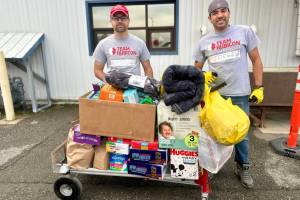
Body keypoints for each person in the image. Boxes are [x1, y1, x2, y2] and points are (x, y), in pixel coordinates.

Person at [193, 0, 264, 189]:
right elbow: (196, 69)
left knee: (241, 134)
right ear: (210, 18)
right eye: (215, 13)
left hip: (240, 94)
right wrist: (203, 76)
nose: (219, 15)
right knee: (215, 133)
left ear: (229, 13)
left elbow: (256, 59)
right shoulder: (204, 42)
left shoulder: (244, 32)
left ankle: (243, 166)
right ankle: (214, 166)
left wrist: (259, 87)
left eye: (223, 11)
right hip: (216, 96)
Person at [93, 4, 154, 83]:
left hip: (134, 89)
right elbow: (97, 70)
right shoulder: (103, 44)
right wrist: (110, 81)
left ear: (128, 20)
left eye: (123, 18)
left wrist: (148, 85)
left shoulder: (139, 43)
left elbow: (147, 68)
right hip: (114, 90)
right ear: (111, 21)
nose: (120, 21)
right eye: (116, 18)